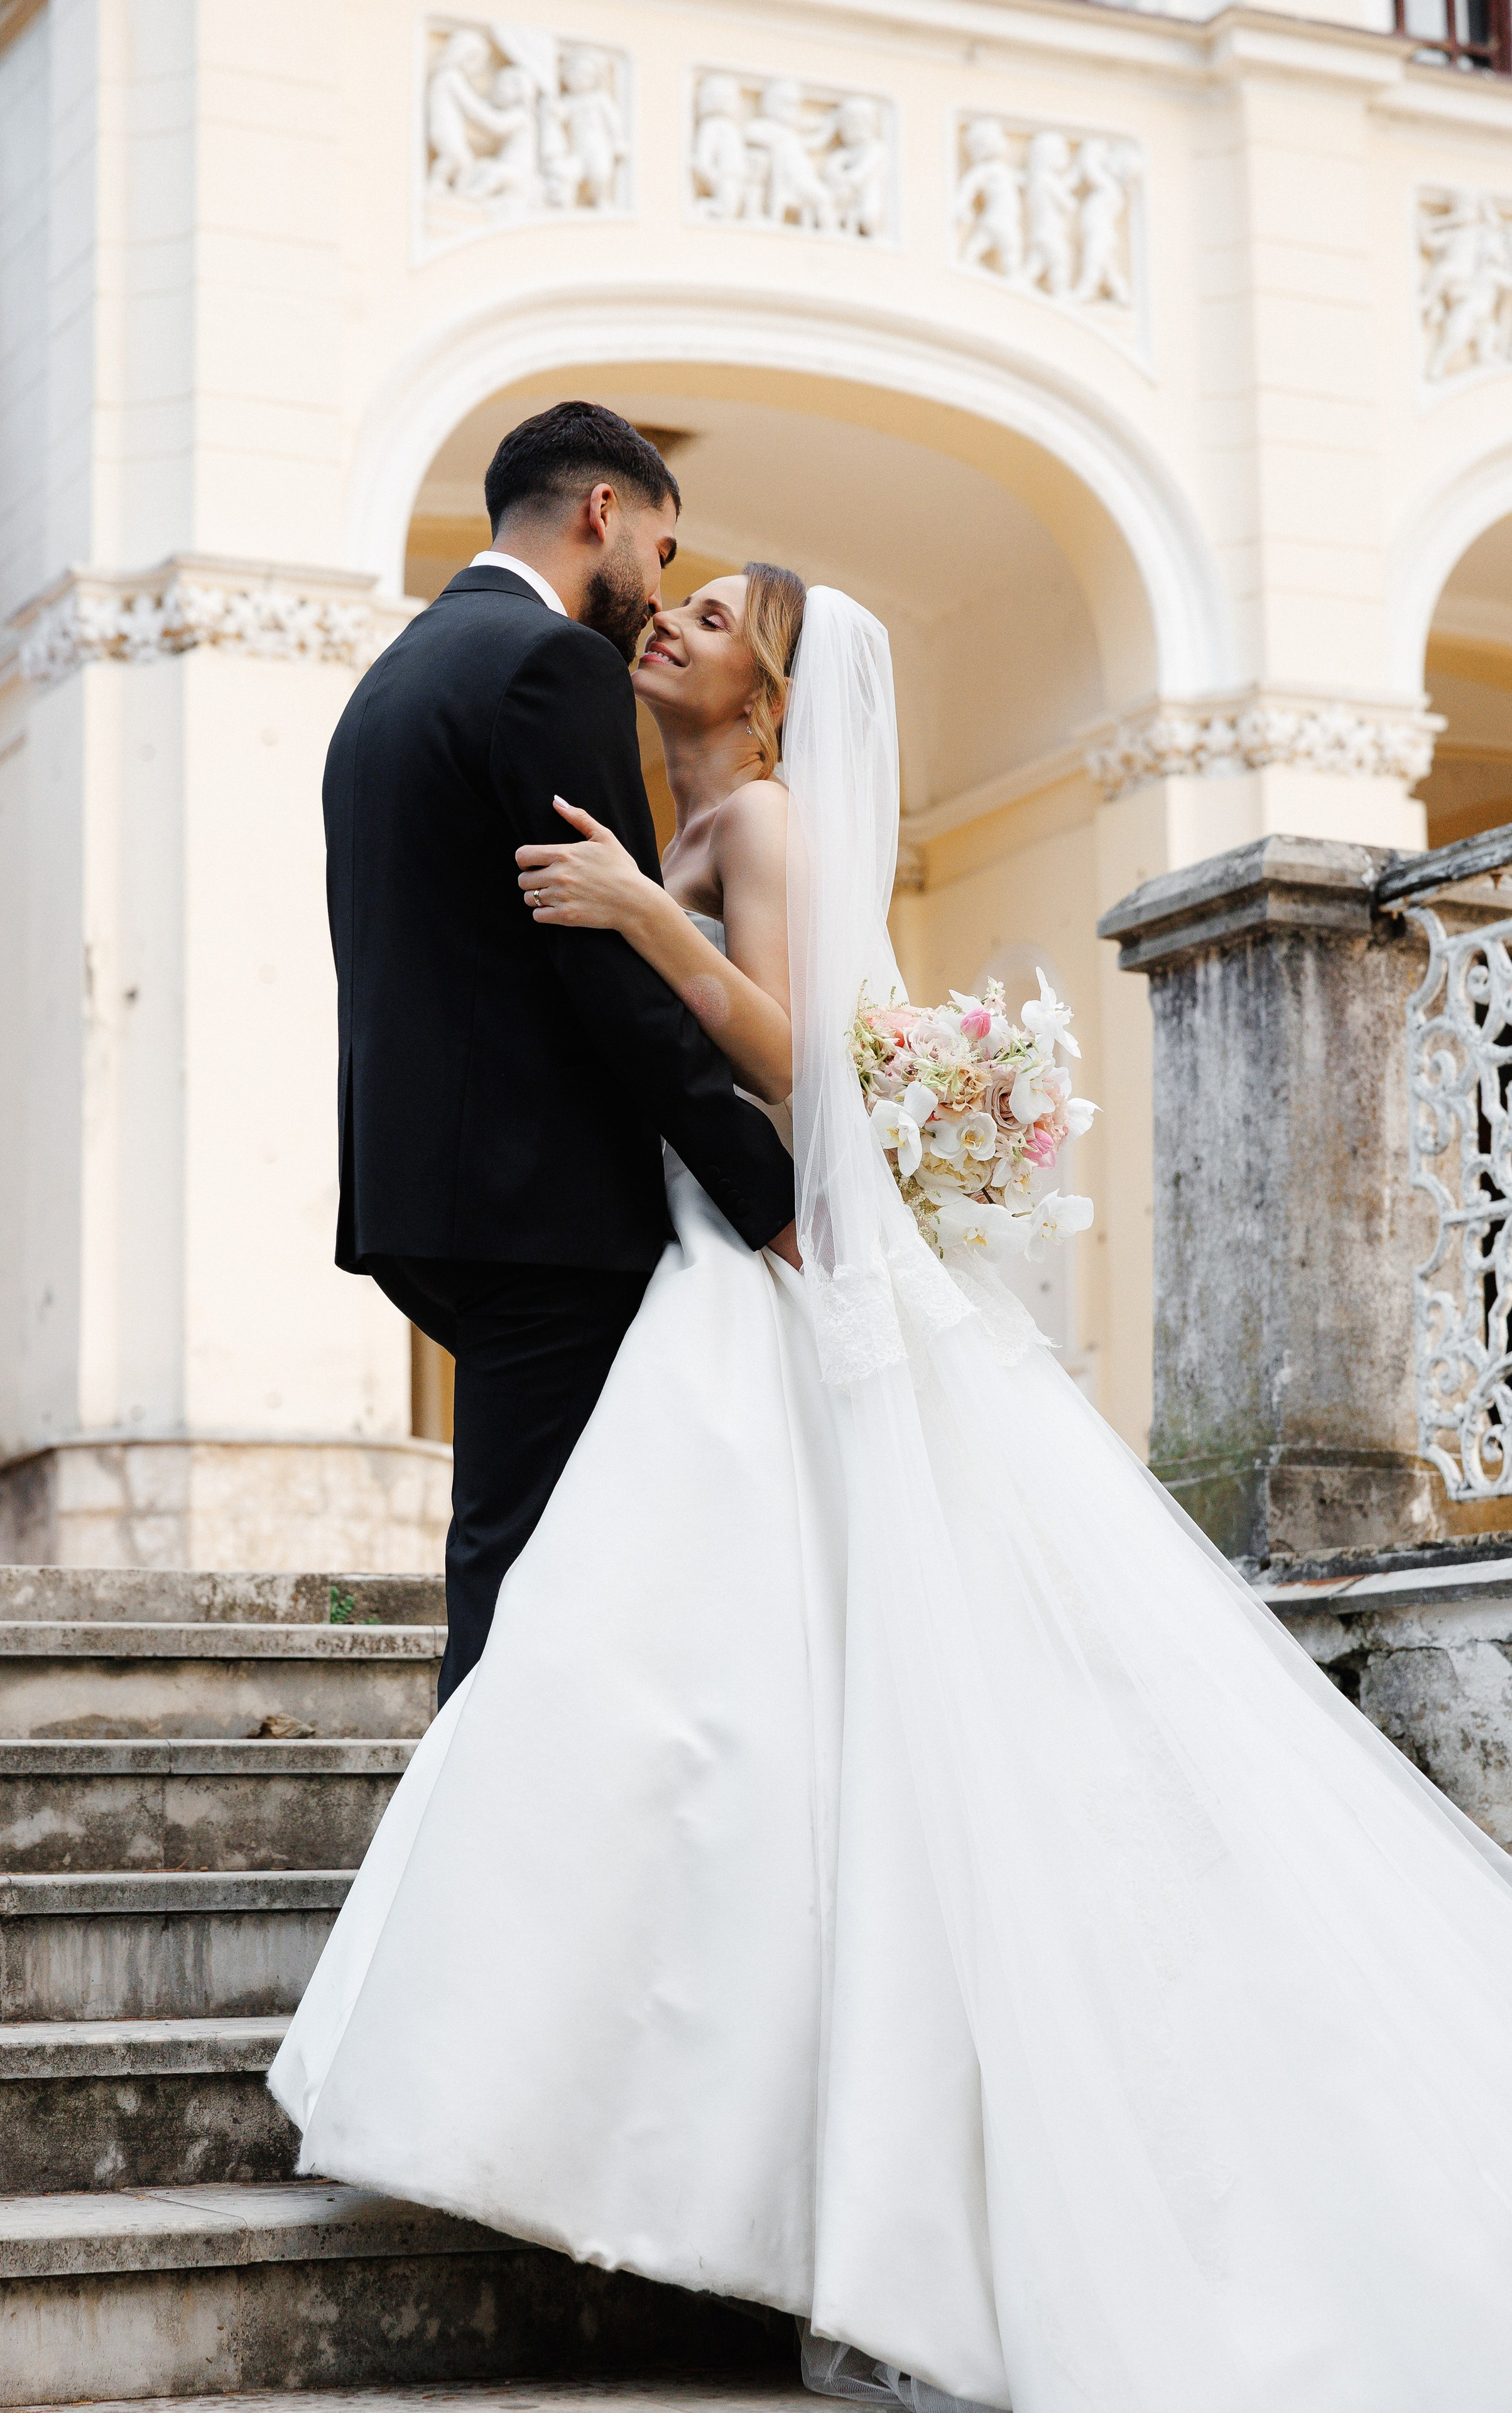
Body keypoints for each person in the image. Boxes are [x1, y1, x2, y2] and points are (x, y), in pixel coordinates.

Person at [280, 570, 1512, 2413]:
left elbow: (809, 1064)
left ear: (771, 691)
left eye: (710, 617)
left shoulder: (754, 819)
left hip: (768, 1257)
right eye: (673, 603)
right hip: (717, 1260)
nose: (670, 626)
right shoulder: (703, 816)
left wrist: (647, 919)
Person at [322, 401, 795, 1713]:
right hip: (545, 1211)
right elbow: (604, 979)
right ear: (604, 515)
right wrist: (771, 1198)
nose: (655, 592)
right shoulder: (546, 665)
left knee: (558, 1559)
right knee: (531, 1576)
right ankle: (467, 1886)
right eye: (662, 547)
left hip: (431, 1197)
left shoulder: (397, 670)